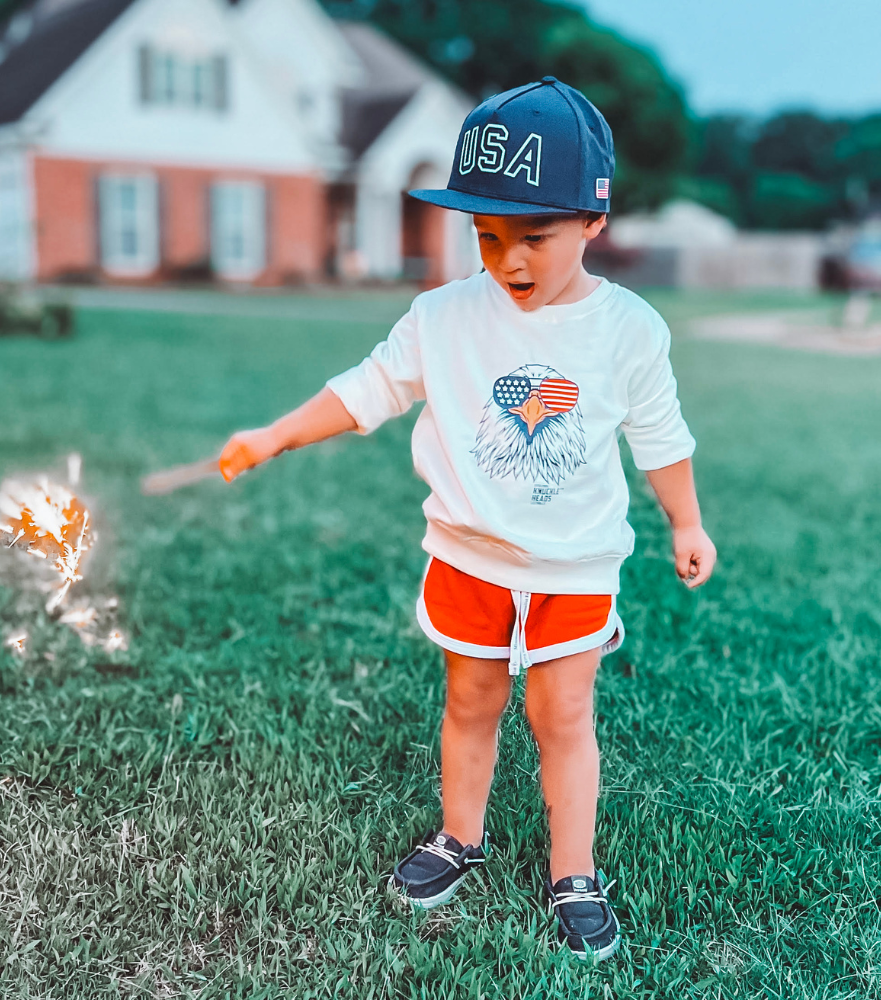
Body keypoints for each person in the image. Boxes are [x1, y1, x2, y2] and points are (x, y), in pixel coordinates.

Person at [218, 77, 716, 962]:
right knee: (470, 699)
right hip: (467, 555)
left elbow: (660, 436)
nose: (509, 261)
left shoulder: (629, 331)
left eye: (535, 237)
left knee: (563, 715)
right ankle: (460, 836)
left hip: (573, 565)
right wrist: (275, 435)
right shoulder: (443, 316)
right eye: (487, 236)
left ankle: (574, 873)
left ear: (593, 220)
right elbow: (369, 388)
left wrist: (687, 523)